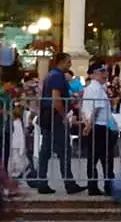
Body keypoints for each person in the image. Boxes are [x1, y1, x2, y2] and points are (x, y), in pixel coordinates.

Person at [32, 51, 83, 195]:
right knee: (64, 150)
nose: (70, 64)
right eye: (68, 62)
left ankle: (42, 181)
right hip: (54, 117)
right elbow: (56, 98)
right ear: (61, 62)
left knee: (46, 150)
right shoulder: (57, 76)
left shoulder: (51, 75)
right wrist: (63, 115)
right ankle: (68, 183)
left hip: (48, 116)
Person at [80, 61, 115, 195]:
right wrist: (89, 125)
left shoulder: (89, 88)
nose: (105, 75)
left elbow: (84, 109)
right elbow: (97, 108)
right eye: (102, 72)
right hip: (99, 126)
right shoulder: (97, 89)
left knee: (92, 158)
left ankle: (93, 185)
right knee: (106, 158)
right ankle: (108, 186)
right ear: (94, 74)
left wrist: (87, 124)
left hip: (94, 125)